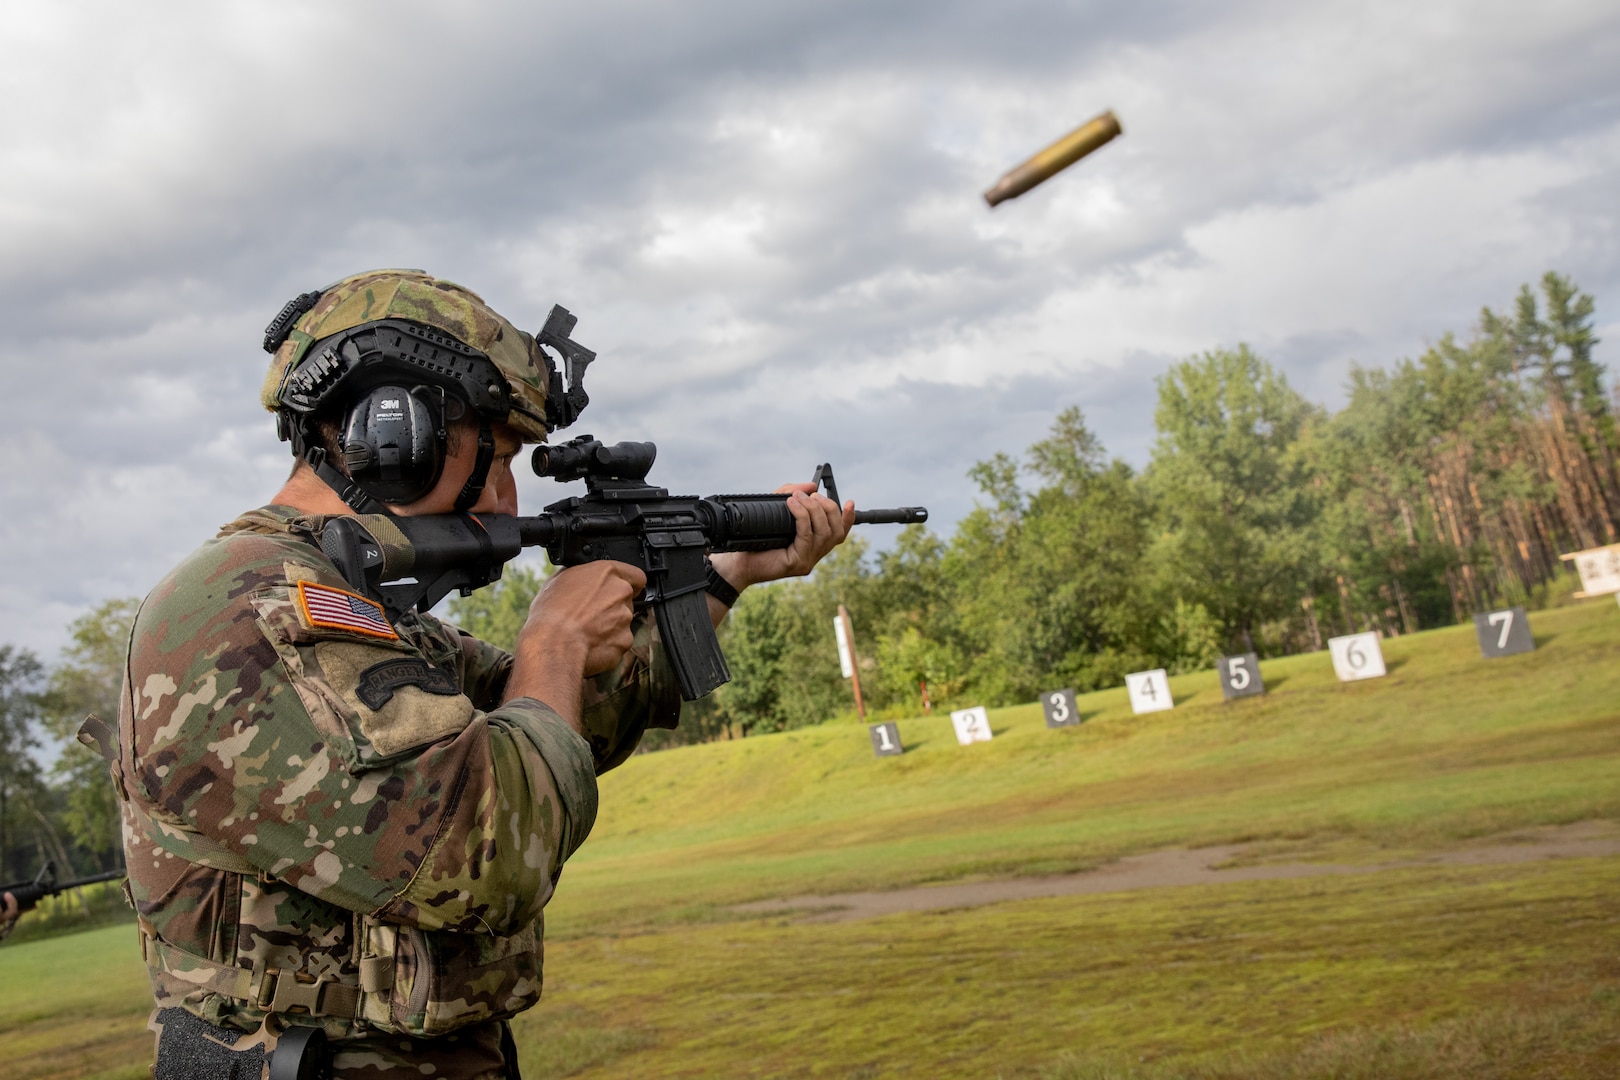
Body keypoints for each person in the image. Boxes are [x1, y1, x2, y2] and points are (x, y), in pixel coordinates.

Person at [87, 270, 851, 1079]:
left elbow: (565, 729)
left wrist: (727, 574)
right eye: (500, 452)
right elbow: (493, 855)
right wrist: (554, 635)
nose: (506, 495)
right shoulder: (247, 607)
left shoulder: (355, 609)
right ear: (397, 434)